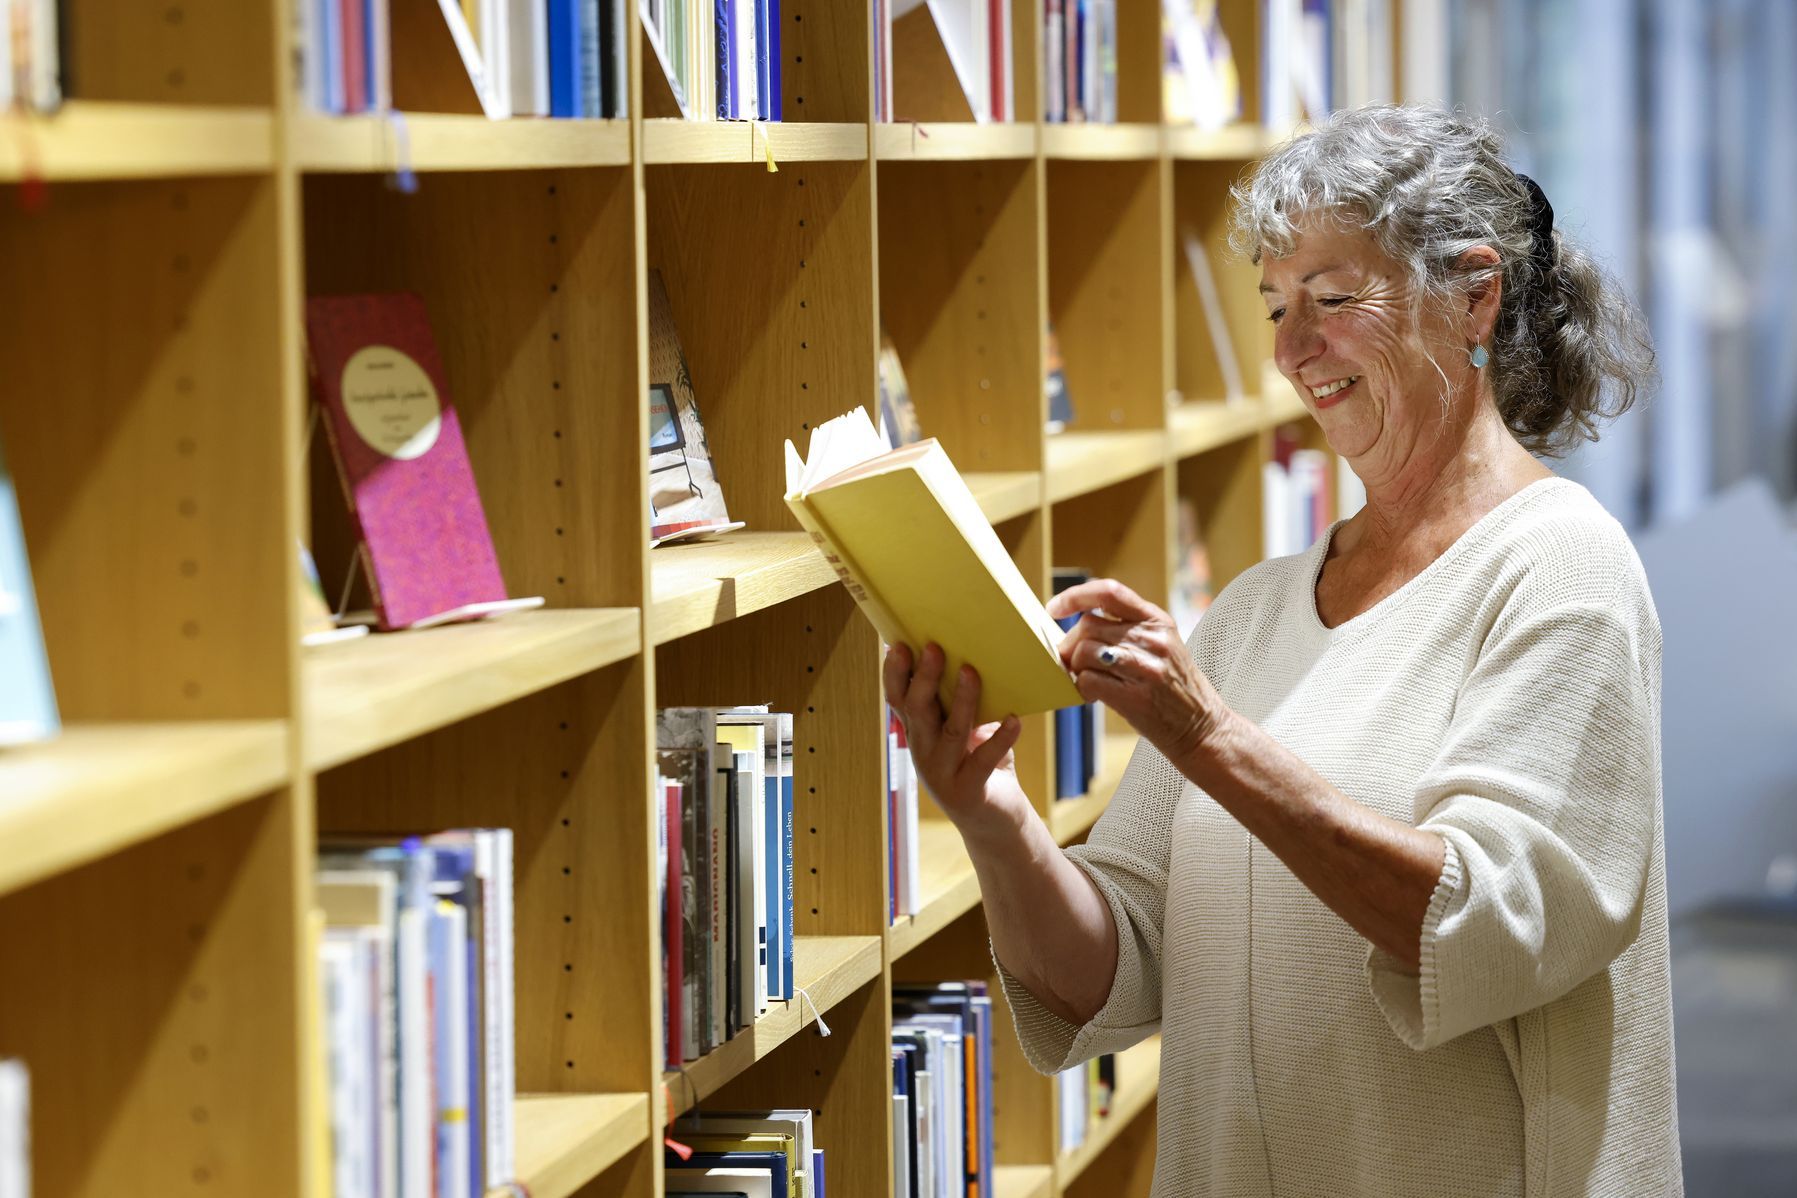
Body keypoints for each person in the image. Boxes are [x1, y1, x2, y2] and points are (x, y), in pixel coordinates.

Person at [884, 103, 1681, 1196]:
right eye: (1272, 306)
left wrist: (1208, 736)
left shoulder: (1563, 572)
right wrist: (991, 811)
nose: (1291, 351)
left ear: (1474, 295)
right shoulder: (1256, 613)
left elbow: (1487, 919)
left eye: (1333, 299)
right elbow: (1106, 973)